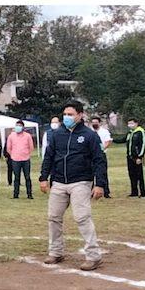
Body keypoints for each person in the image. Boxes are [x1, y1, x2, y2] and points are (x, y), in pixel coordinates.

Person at [39, 99, 107, 272]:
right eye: (65, 114)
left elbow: (99, 160)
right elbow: (48, 157)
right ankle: (56, 251)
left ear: (80, 115)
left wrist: (99, 184)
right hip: (59, 182)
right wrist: (43, 177)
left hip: (81, 182)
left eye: (70, 114)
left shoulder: (90, 135)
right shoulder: (56, 135)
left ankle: (93, 255)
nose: (67, 117)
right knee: (53, 217)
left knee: (82, 217)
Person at [6, 119, 35, 199]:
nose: (18, 127)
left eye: (19, 126)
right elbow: (8, 148)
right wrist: (13, 155)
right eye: (17, 126)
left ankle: (29, 194)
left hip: (26, 159)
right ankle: (16, 194)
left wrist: (26, 154)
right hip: (15, 160)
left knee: (27, 177)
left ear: (23, 127)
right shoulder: (11, 136)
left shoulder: (27, 136)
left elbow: (31, 147)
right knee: (16, 177)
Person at [89, 116, 112, 198]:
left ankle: (106, 192)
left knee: (103, 173)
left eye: (96, 122)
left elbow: (108, 141)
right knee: (90, 174)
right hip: (90, 156)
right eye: (93, 122)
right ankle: (90, 192)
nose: (94, 123)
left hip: (101, 154)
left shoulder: (104, 131)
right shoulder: (89, 132)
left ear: (99, 123)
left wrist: (100, 149)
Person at [124, 118, 145, 197]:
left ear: (136, 123)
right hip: (130, 157)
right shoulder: (130, 133)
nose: (130, 125)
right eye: (129, 123)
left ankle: (143, 193)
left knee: (139, 175)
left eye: (131, 123)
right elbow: (124, 140)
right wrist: (112, 139)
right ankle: (134, 192)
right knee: (132, 175)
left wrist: (140, 157)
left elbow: (143, 145)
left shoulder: (140, 132)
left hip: (137, 158)